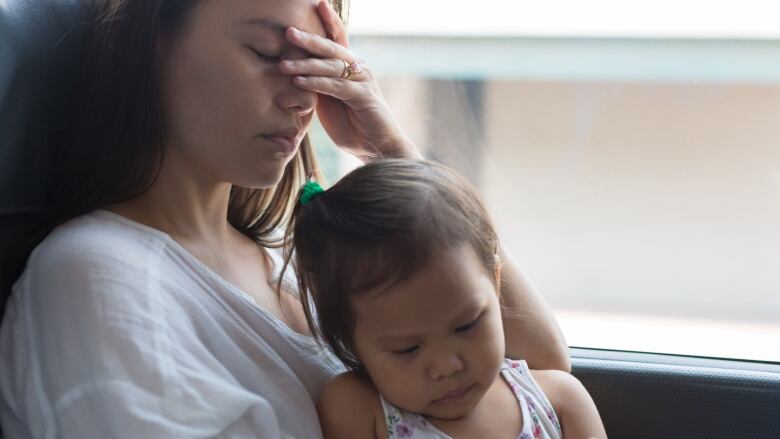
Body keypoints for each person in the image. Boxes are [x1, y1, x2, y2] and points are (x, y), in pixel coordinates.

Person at [0, 0, 570, 437]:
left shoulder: (293, 264)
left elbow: (541, 372)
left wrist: (393, 155)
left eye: (319, 64)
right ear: (156, 40)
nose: (304, 97)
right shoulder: (97, 277)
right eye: (271, 56)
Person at [286, 159, 606, 439]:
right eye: (407, 349)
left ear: (496, 282)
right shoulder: (357, 409)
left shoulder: (559, 400)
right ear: (352, 342)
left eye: (466, 326)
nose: (447, 365)